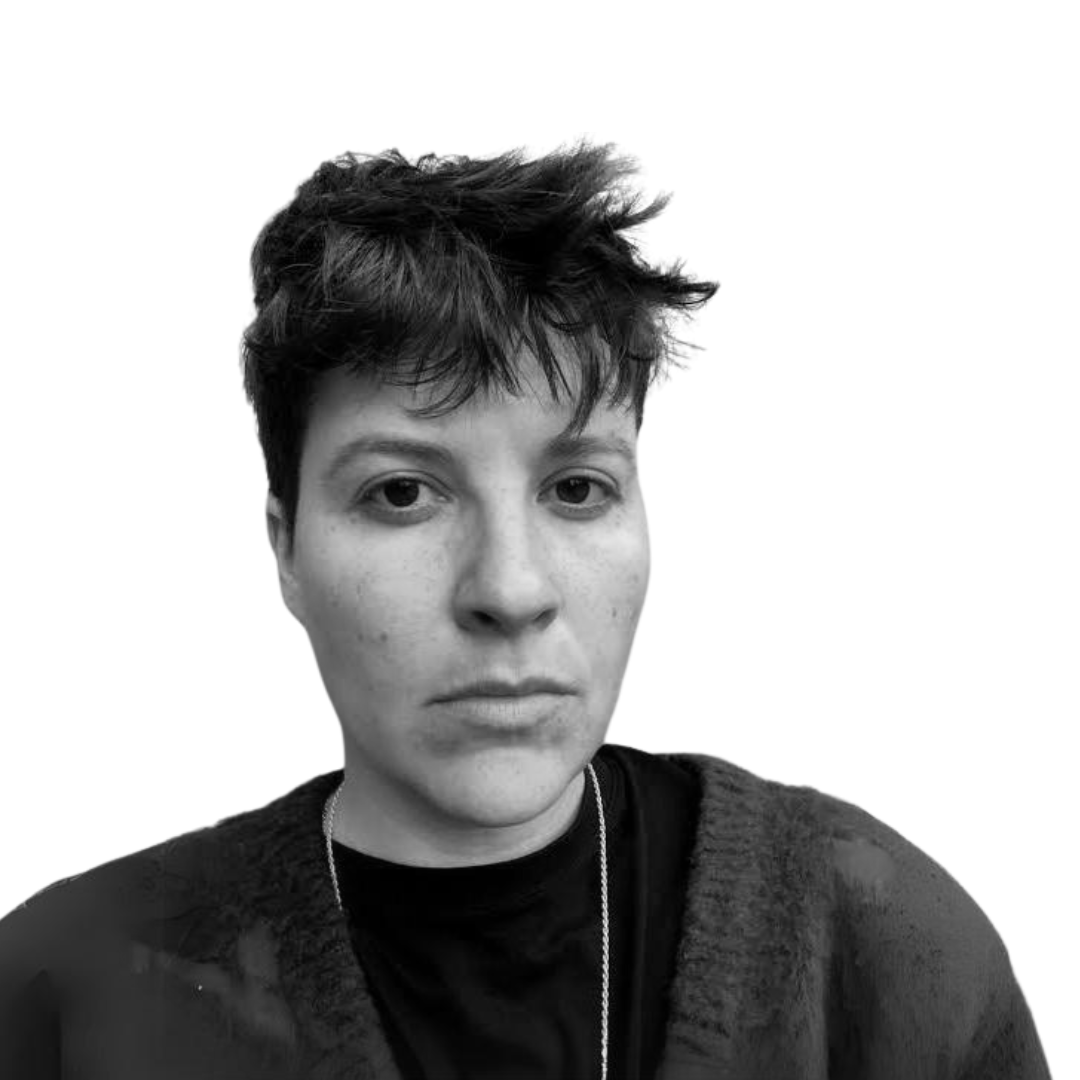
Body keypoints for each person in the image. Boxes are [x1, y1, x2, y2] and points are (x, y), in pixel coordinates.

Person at [0, 138, 1053, 1079]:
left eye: (577, 488)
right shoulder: (68, 988)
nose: (509, 590)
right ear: (284, 559)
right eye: (401, 493)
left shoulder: (882, 940)